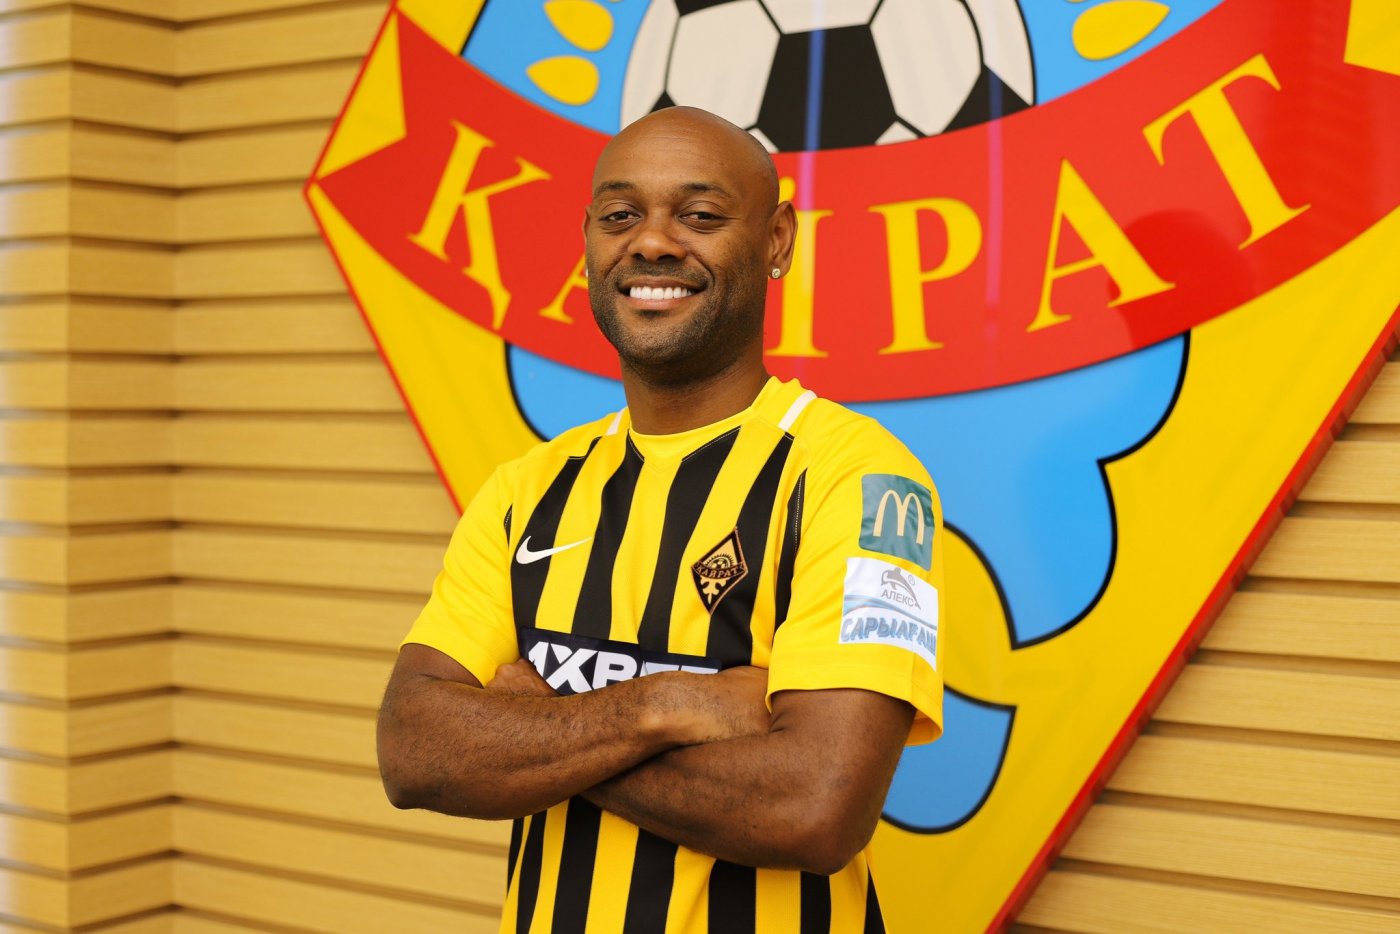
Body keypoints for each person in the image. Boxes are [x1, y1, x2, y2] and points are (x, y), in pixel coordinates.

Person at [377, 106, 945, 933]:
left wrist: (535, 724)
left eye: (700, 215)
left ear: (777, 240)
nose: (651, 243)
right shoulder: (527, 490)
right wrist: (664, 705)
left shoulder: (860, 481)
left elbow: (816, 807)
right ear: (588, 242)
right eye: (620, 215)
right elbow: (413, 750)